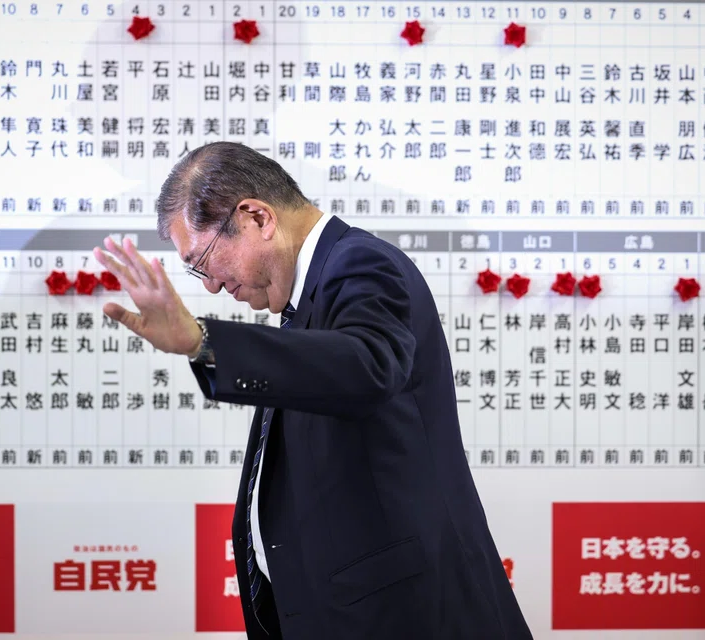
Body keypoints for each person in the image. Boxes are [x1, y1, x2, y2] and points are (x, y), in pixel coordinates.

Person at [93, 142, 533, 640]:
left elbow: (368, 366)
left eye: (204, 262)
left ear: (257, 217)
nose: (212, 288)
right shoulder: (307, 293)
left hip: (404, 614)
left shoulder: (358, 262)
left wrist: (203, 340)